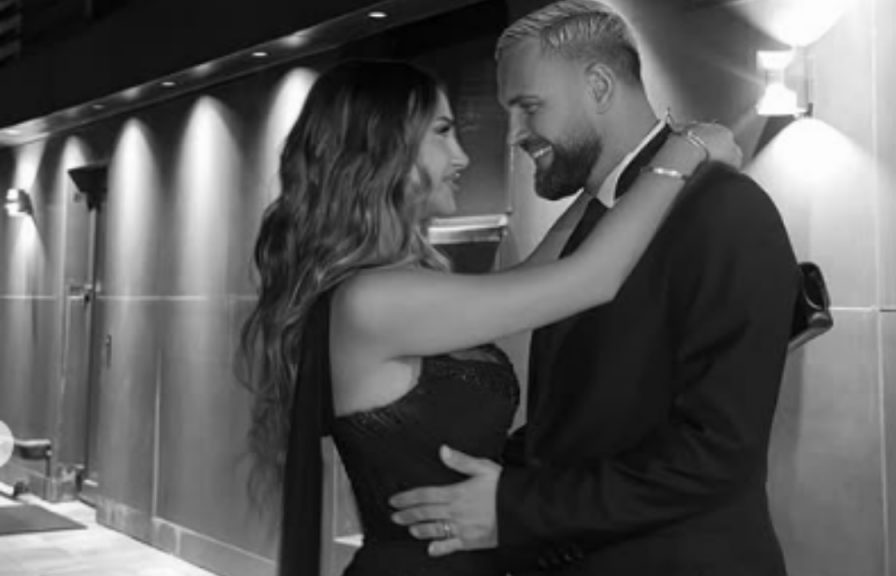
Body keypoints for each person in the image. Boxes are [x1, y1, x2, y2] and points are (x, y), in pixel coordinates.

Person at [239, 59, 738, 576]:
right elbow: (592, 278)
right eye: (441, 132)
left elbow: (542, 273)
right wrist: (686, 150)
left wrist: (617, 172)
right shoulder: (371, 301)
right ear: (379, 149)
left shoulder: (393, 287)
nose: (462, 156)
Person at [388, 2, 799, 575]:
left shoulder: (726, 210)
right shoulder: (595, 222)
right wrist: (482, 482)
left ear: (600, 86)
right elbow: (587, 422)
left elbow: (714, 453)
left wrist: (513, 505)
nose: (514, 135)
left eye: (529, 107)